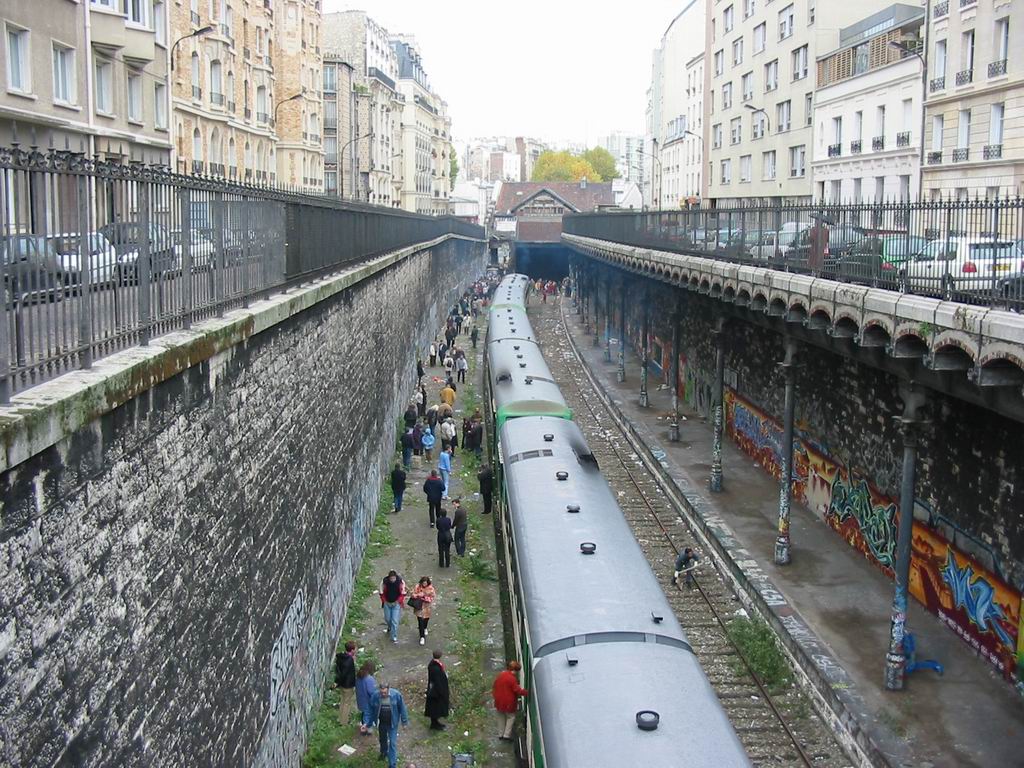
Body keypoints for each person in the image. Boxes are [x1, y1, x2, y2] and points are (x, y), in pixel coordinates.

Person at [369, 682, 410, 768]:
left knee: (392, 743)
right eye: (381, 692)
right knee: (382, 739)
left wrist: (404, 722)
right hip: (382, 723)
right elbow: (371, 709)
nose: (383, 694)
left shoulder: (396, 695)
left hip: (392, 723)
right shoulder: (376, 696)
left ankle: (392, 764)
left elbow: (402, 708)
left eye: (385, 692)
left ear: (388, 689)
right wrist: (368, 723)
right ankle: (383, 752)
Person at [492, 661, 528, 741]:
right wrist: (526, 692)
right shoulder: (512, 679)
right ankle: (506, 735)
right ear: (515, 670)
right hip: (508, 703)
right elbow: (517, 690)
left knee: (500, 716)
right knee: (511, 717)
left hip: (498, 700)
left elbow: (494, 685)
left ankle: (500, 734)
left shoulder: (501, 675)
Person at [424, 650, 450, 731]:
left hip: (434, 690)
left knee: (434, 708)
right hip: (436, 692)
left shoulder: (433, 665)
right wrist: (442, 692)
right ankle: (435, 724)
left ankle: (435, 723)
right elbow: (437, 681)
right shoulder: (435, 668)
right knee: (436, 708)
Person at [379, 571, 406, 643]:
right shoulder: (384, 582)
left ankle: (394, 636)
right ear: (389, 578)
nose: (392, 580)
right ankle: (390, 627)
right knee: (387, 619)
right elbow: (381, 592)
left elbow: (402, 593)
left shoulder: (400, 582)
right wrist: (384, 601)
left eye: (394, 578)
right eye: (391, 578)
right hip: (387, 603)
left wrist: (398, 601)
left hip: (396, 603)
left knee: (394, 620)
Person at [335, 640, 357, 725]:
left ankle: (340, 718)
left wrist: (337, 682)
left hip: (342, 684)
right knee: (347, 703)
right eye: (355, 649)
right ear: (352, 650)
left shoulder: (341, 657)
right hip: (348, 685)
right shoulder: (349, 660)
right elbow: (345, 673)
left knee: (343, 701)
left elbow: (339, 671)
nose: (356, 650)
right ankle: (344, 721)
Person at [410, 576, 435, 645]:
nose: (424, 585)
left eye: (425, 583)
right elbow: (412, 594)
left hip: (427, 607)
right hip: (419, 607)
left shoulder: (431, 589)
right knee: (420, 621)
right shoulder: (417, 587)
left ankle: (425, 627)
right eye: (423, 583)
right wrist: (416, 595)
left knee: (426, 619)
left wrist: (423, 597)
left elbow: (432, 598)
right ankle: (422, 637)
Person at [355, 662, 378, 735]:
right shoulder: (369, 679)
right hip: (367, 700)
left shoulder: (359, 676)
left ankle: (363, 725)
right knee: (368, 714)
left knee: (363, 713)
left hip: (360, 698)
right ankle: (367, 729)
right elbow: (371, 691)